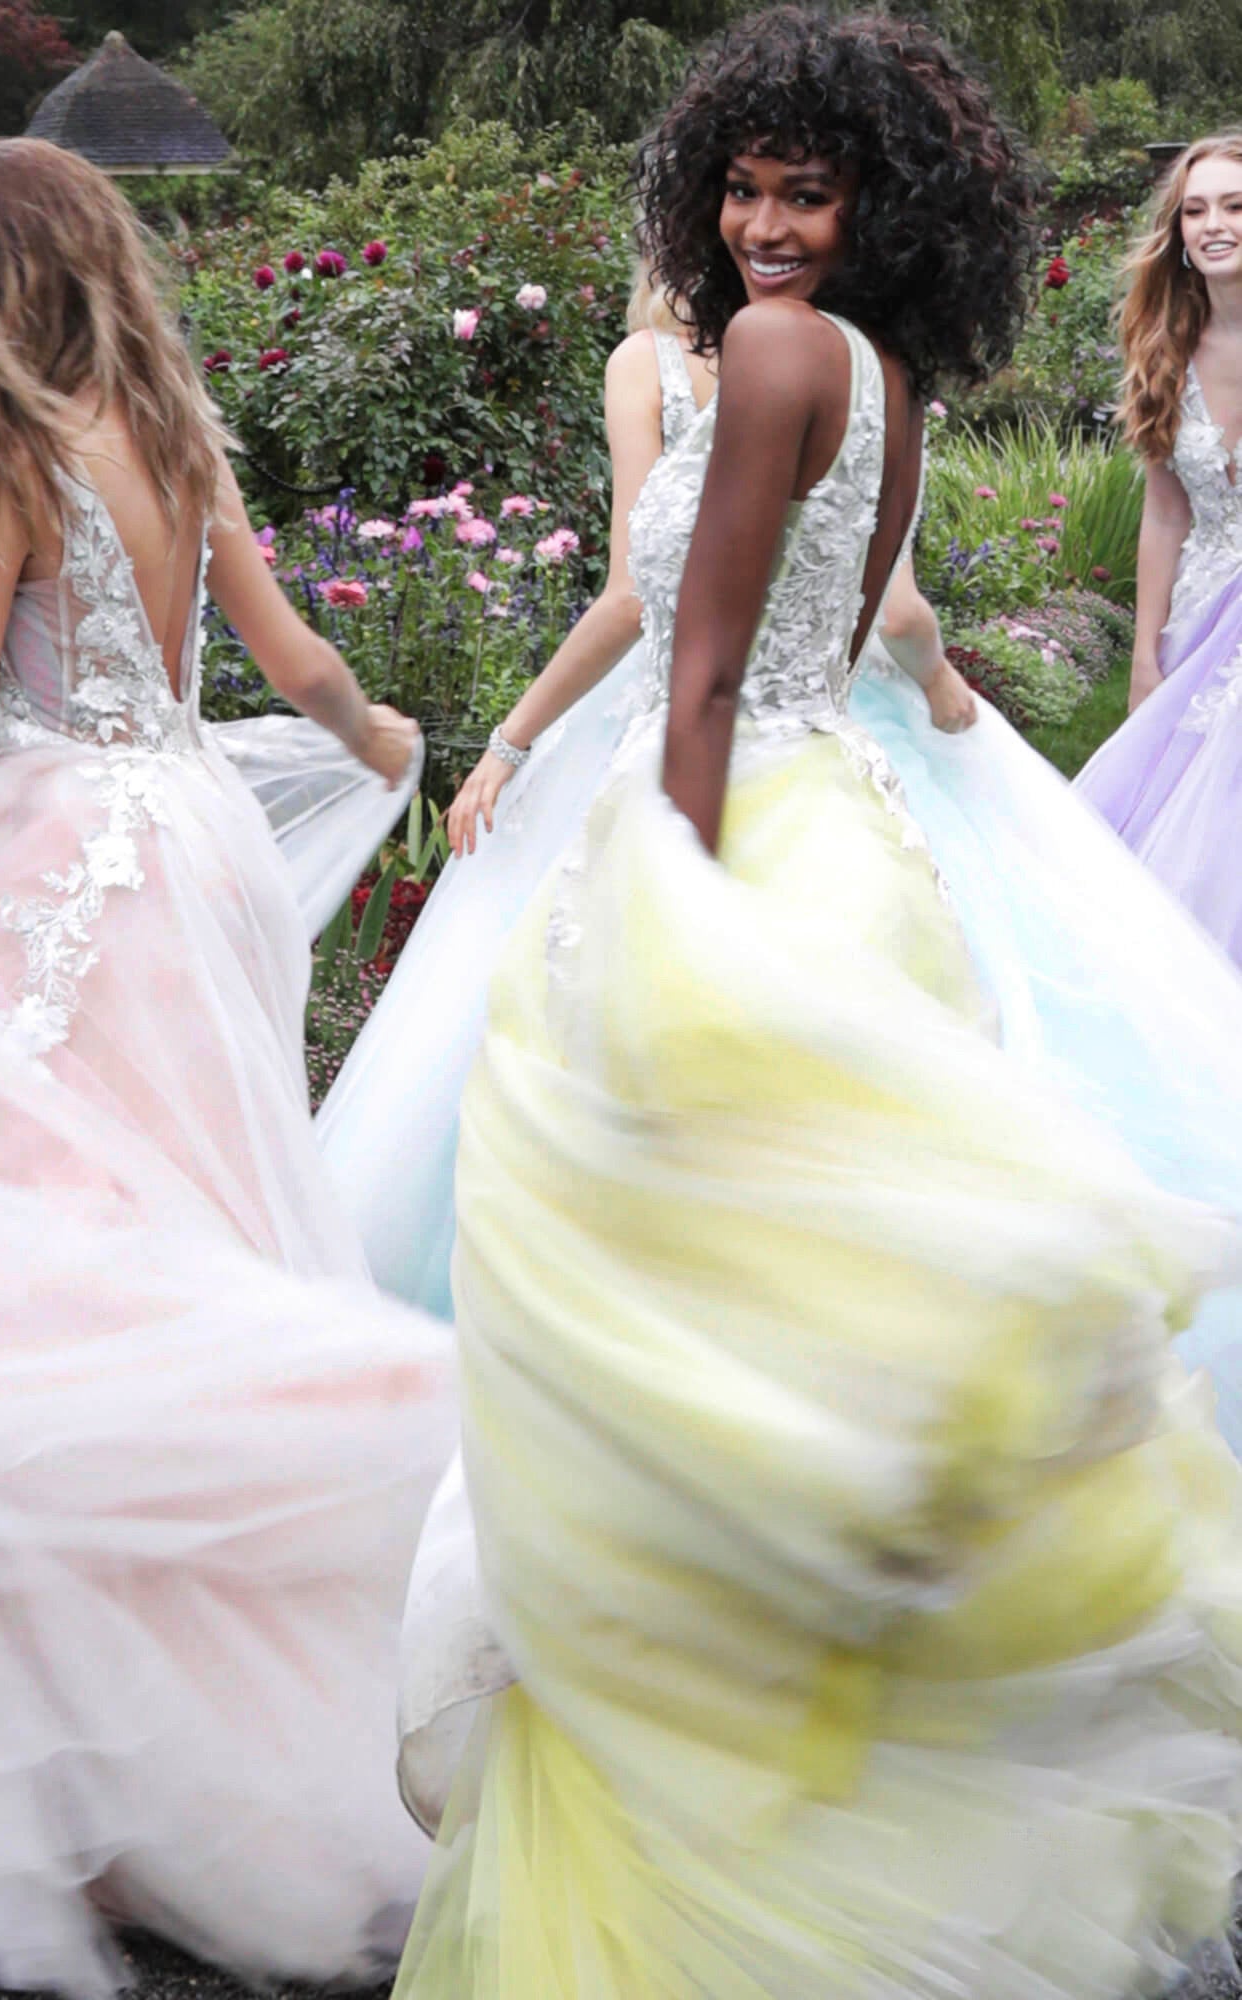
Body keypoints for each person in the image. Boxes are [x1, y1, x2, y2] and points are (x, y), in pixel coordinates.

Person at [391, 16, 1242, 1998]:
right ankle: (809, 1812)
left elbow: (696, 676)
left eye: (808, 192)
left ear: (882, 207)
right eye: (743, 188)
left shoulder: (775, 354)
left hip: (739, 841)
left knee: (685, 1355)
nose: (764, 226)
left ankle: (700, 1836)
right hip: (848, 838)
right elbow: (837, 634)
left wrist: (664, 915)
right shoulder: (880, 369)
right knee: (786, 1359)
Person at [0, 137, 457, 1997]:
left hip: (64, 879)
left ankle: (51, 1759)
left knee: (12, 1284)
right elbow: (292, 659)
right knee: (179, 1234)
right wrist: (385, 739)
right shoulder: (175, 436)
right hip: (193, 857)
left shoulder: (6, 470)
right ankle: (208, 1716)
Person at [316, 277, 973, 1318]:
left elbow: (630, 595)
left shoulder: (657, 366)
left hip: (682, 731)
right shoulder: (867, 366)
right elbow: (888, 610)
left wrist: (511, 742)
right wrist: (926, 688)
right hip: (810, 752)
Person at [1077, 134, 1242, 967]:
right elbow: (1167, 514)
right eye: (1196, 210)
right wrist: (1145, 654)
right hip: (1200, 614)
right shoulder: (1165, 348)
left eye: (1236, 206)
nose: (1215, 225)